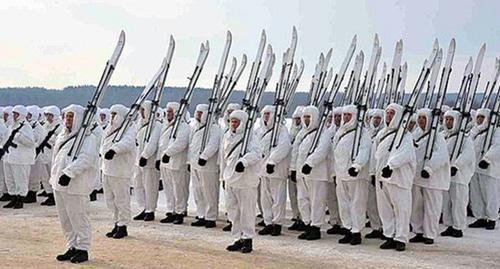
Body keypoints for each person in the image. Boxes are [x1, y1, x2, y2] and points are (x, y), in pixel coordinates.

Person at [50, 104, 98, 264]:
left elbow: (86, 158)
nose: (68, 119)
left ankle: (83, 248)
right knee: (65, 219)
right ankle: (72, 246)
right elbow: (56, 158)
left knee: (78, 217)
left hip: (76, 185)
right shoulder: (62, 135)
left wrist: (69, 172)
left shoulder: (88, 138)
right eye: (66, 116)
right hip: (59, 184)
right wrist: (55, 176)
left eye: (71, 116)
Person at [372, 103, 416, 251]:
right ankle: (389, 235)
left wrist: (391, 166)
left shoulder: (405, 135)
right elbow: (376, 155)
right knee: (385, 209)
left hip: (398, 178)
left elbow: (406, 154)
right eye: (388, 113)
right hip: (382, 178)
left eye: (392, 113)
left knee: (401, 209)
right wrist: (374, 173)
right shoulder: (381, 133)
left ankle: (401, 237)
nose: (389, 116)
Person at [222, 110, 260, 253]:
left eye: (236, 121)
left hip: (245, 181)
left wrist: (243, 162)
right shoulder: (227, 136)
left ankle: (248, 238)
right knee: (233, 211)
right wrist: (223, 177)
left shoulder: (250, 137)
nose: (233, 124)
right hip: (230, 179)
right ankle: (238, 237)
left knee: (246, 211)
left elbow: (256, 153)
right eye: (232, 121)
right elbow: (223, 158)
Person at [410, 108, 450, 245]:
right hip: (417, 178)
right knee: (416, 206)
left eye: (424, 118)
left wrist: (429, 168)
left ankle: (430, 233)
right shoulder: (415, 134)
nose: (421, 120)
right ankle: (418, 231)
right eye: (419, 117)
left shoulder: (437, 137)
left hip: (432, 179)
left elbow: (442, 156)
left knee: (432, 207)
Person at [333, 105, 371, 245]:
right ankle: (348, 228)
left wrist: (357, 166)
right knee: (344, 204)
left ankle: (357, 231)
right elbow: (335, 153)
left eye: (349, 115)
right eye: (345, 115)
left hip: (356, 175)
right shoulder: (341, 131)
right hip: (341, 174)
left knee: (357, 204)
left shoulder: (362, 133)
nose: (346, 118)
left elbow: (364, 150)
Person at [100, 104, 137, 239]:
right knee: (110, 199)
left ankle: (123, 225)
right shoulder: (110, 129)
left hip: (120, 171)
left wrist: (114, 150)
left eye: (115, 115)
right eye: (112, 114)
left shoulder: (129, 129)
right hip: (107, 169)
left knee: (121, 199)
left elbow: (127, 143)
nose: (112, 118)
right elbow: (103, 143)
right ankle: (116, 222)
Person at [296, 106, 331, 240]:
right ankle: (308, 223)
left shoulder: (323, 133)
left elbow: (322, 151)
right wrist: (295, 169)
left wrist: (310, 163)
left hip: (317, 173)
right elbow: (298, 152)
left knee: (317, 201)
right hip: (303, 174)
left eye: (308, 117)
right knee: (303, 200)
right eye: (304, 117)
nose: (306, 120)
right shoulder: (303, 133)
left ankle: (315, 227)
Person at [256, 105, 291, 236]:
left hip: (276, 170)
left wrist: (273, 161)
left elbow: (284, 146)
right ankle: (268, 222)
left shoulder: (281, 130)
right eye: (264, 113)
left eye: (268, 114)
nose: (266, 116)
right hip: (263, 170)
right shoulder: (260, 131)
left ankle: (277, 223)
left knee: (278, 198)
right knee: (265, 199)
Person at [441, 110, 475, 238]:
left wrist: (456, 165)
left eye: (451, 120)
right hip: (445, 176)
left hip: (459, 177)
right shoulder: (443, 136)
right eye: (447, 119)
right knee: (447, 203)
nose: (449, 122)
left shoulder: (464, 138)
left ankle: (458, 227)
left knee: (459, 202)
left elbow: (468, 154)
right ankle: (449, 225)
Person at [188, 104, 221, 228]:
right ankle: (201, 214)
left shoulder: (214, 128)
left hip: (208, 166)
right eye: (197, 112)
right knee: (198, 191)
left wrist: (205, 156)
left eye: (201, 113)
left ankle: (211, 216)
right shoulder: (196, 127)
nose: (198, 115)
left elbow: (213, 144)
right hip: (195, 164)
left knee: (209, 192)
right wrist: (189, 161)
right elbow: (192, 145)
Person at [158, 102, 190, 224]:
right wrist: (159, 158)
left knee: (179, 189)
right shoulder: (166, 125)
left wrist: (168, 153)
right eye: (167, 111)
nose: (168, 114)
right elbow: (161, 144)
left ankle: (180, 212)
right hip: (165, 163)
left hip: (177, 163)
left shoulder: (183, 127)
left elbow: (180, 143)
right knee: (169, 189)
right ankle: (171, 210)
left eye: (171, 111)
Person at [469, 108, 500, 230]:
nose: (480, 120)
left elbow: (497, 146)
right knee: (476, 194)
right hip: (475, 167)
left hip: (488, 168)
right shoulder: (475, 131)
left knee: (490, 194)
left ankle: (491, 218)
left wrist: (487, 159)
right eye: (478, 117)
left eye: (482, 117)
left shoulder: (495, 131)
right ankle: (480, 216)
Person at [1, 105, 35, 209]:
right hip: (9, 157)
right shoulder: (12, 126)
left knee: (20, 180)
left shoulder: (26, 127)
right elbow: (5, 139)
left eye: (16, 114)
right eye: (14, 114)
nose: (14, 116)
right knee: (10, 179)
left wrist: (18, 136)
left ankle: (20, 199)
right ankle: (13, 197)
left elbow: (30, 142)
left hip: (21, 158)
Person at [133, 101, 161, 221]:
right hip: (137, 160)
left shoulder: (156, 126)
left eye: (143, 110)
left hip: (148, 162)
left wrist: (145, 155)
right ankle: (144, 207)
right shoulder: (140, 124)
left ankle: (150, 209)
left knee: (150, 186)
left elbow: (152, 143)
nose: (141, 113)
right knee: (139, 185)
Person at [220, 103, 241, 232]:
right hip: (227, 172)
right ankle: (232, 221)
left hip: (239, 175)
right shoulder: (226, 133)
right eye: (228, 112)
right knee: (230, 201)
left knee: (239, 202)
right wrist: (222, 175)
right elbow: (223, 156)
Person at [37, 106, 62, 206]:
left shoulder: (59, 127)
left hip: (53, 154)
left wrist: (50, 142)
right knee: (45, 176)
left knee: (53, 175)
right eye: (47, 115)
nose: (48, 117)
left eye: (50, 115)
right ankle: (49, 194)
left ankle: (55, 196)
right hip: (44, 154)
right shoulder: (45, 126)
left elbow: (60, 141)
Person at [366, 108, 384, 239]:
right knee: (371, 202)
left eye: (379, 118)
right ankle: (375, 226)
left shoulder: (384, 134)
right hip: (367, 173)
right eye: (374, 118)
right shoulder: (367, 133)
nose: (376, 120)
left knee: (383, 203)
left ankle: (386, 227)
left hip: (381, 173)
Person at [287, 106, 306, 231]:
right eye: (295, 119)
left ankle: (304, 219)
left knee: (302, 196)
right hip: (291, 169)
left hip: (301, 171)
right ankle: (296, 216)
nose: (297, 121)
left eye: (299, 119)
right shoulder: (291, 133)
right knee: (293, 195)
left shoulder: (306, 134)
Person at [25, 105, 44, 203]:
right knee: (28, 175)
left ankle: (32, 194)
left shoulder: (38, 127)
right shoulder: (28, 125)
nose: (27, 116)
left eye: (29, 114)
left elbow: (39, 140)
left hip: (36, 154)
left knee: (34, 175)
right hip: (28, 154)